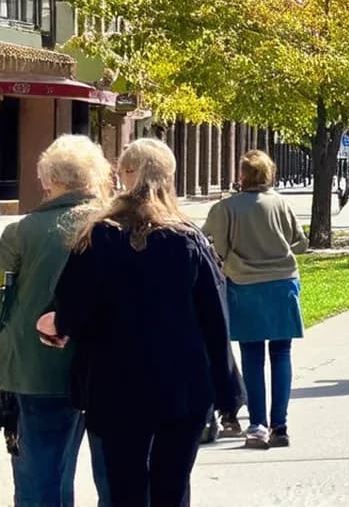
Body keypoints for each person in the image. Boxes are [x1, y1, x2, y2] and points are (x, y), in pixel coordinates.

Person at [40, 138, 238, 506]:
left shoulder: (101, 235)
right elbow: (216, 319)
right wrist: (227, 388)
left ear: (124, 175)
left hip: (117, 385)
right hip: (182, 385)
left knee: (125, 485)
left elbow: (73, 303)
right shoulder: (188, 239)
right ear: (170, 177)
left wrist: (58, 327)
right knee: (173, 484)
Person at [0, 136, 113, 506]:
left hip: (35, 371)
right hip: (104, 369)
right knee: (113, 479)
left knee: (41, 480)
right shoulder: (114, 226)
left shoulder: (22, 232)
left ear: (48, 180)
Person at [204, 150, 308, 447]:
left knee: (251, 355)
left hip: (245, 284)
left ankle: (257, 424)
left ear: (242, 175)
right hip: (283, 283)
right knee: (281, 353)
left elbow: (214, 246)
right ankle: (281, 425)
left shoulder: (226, 208)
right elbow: (299, 243)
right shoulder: (282, 204)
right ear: (270, 174)